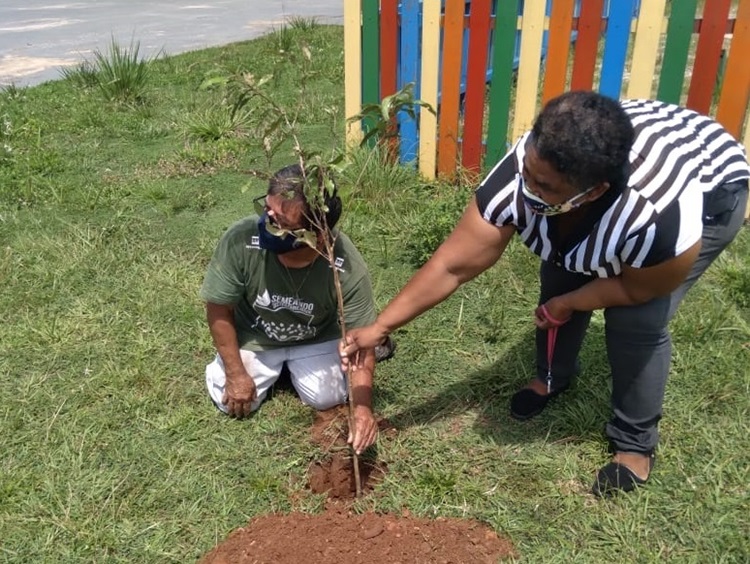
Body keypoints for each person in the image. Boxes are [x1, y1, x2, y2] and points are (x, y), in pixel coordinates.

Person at [341, 92, 749, 494]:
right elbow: (453, 264)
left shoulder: (657, 218)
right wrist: (381, 326)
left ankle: (634, 442)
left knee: (636, 323)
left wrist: (572, 302)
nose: (526, 187)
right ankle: (552, 378)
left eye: (543, 185)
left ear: (590, 192)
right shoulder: (536, 161)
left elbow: (635, 288)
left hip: (714, 184)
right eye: (528, 172)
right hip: (622, 154)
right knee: (560, 273)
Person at [201, 164, 393, 454]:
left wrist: (363, 409)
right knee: (228, 398)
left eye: (281, 224)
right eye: (267, 211)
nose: (268, 224)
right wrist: (236, 374)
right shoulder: (241, 239)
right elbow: (219, 308)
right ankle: (279, 369)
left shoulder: (344, 263)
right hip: (254, 336)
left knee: (329, 396)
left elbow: (360, 339)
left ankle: (292, 370)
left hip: (316, 336)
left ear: (318, 235)